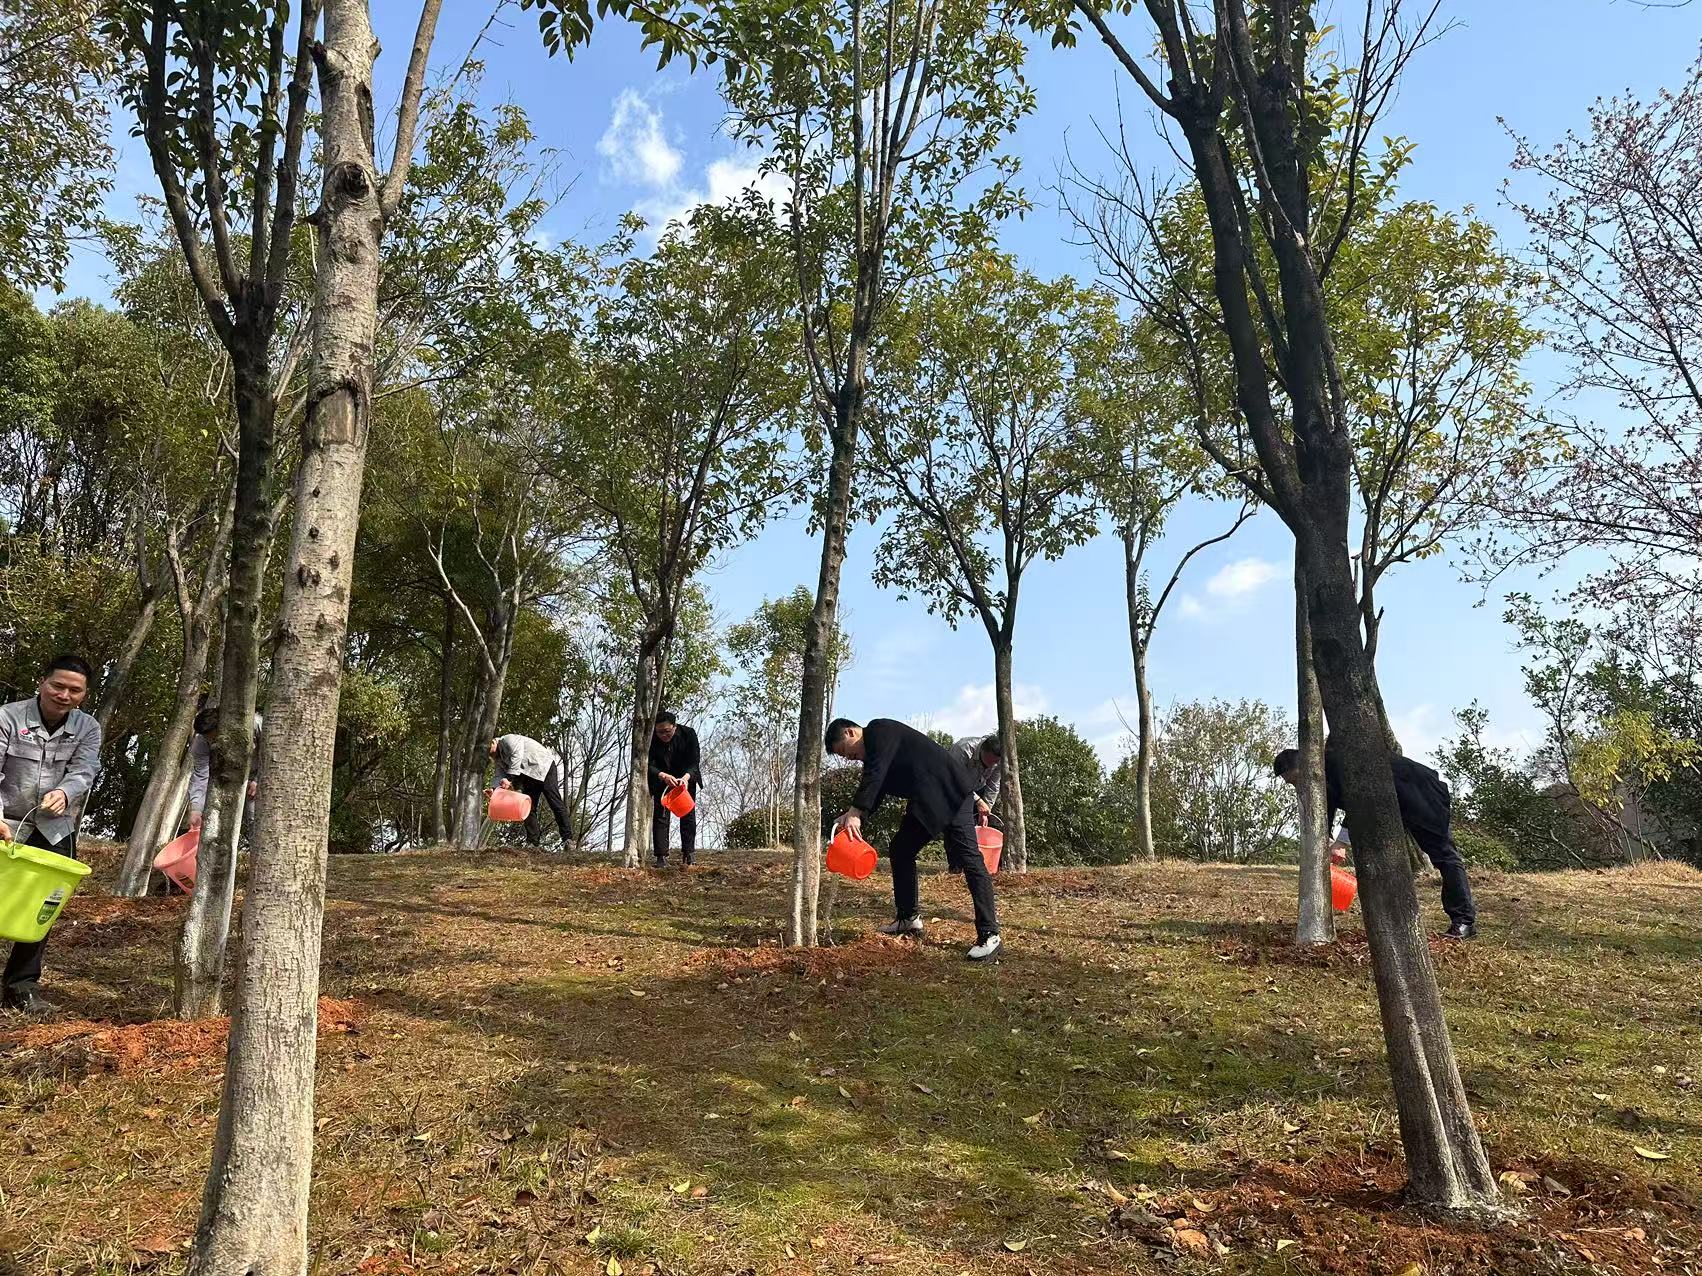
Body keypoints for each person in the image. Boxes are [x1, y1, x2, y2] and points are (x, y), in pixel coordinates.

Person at [827, 717, 1002, 961]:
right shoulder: (875, 756)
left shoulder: (878, 731)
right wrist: (853, 815)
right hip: (927, 799)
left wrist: (856, 811)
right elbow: (876, 787)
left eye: (844, 751)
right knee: (901, 850)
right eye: (843, 756)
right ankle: (908, 918)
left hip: (952, 791)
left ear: (850, 732)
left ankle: (990, 934)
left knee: (970, 859)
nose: (848, 758)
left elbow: (875, 775)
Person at [1273, 744, 1477, 940]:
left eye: (1294, 779)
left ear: (1304, 764)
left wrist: (1341, 843)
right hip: (1393, 805)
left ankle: (1464, 921)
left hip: (1420, 793)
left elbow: (1361, 799)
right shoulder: (1321, 775)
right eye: (1290, 783)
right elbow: (1328, 805)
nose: (1296, 786)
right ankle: (1394, 919)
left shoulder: (1339, 762)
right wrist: (1326, 839)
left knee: (1445, 856)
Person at [1, 656, 102, 1013]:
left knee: (43, 905)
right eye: (58, 686)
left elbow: (85, 768)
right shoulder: (8, 717)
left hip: (54, 827)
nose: (64, 695)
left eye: (75, 690)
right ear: (42, 683)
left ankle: (21, 986)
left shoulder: (88, 727)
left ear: (84, 694)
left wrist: (65, 792)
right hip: (7, 822)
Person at [489, 733, 575, 849]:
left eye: (489, 750)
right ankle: (533, 843)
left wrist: (509, 779)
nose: (490, 755)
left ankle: (568, 839)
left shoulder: (508, 740)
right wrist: (494, 790)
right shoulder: (498, 758)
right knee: (528, 807)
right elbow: (499, 775)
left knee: (554, 802)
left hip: (544, 767)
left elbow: (517, 756)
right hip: (528, 776)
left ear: (493, 742)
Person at [187, 706, 261, 831]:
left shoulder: (255, 724)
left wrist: (259, 779)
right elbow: (201, 775)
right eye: (208, 739)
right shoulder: (201, 742)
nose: (212, 741)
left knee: (256, 820)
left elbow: (272, 752)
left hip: (262, 775)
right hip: (227, 779)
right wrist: (196, 808)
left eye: (214, 737)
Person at [648, 711, 700, 868]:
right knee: (661, 815)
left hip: (685, 778)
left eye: (667, 731)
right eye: (660, 732)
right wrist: (663, 776)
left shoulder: (688, 734)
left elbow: (694, 761)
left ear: (674, 727)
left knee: (687, 814)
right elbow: (647, 763)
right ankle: (661, 856)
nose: (663, 735)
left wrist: (685, 778)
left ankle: (689, 853)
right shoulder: (651, 737)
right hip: (662, 777)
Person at [950, 734, 1002, 826]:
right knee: (959, 823)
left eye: (996, 762)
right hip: (954, 788)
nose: (993, 765)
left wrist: (985, 810)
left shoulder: (999, 761)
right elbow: (956, 779)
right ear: (983, 750)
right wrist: (979, 801)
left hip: (977, 789)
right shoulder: (963, 749)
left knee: (975, 824)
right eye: (990, 761)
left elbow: (993, 786)